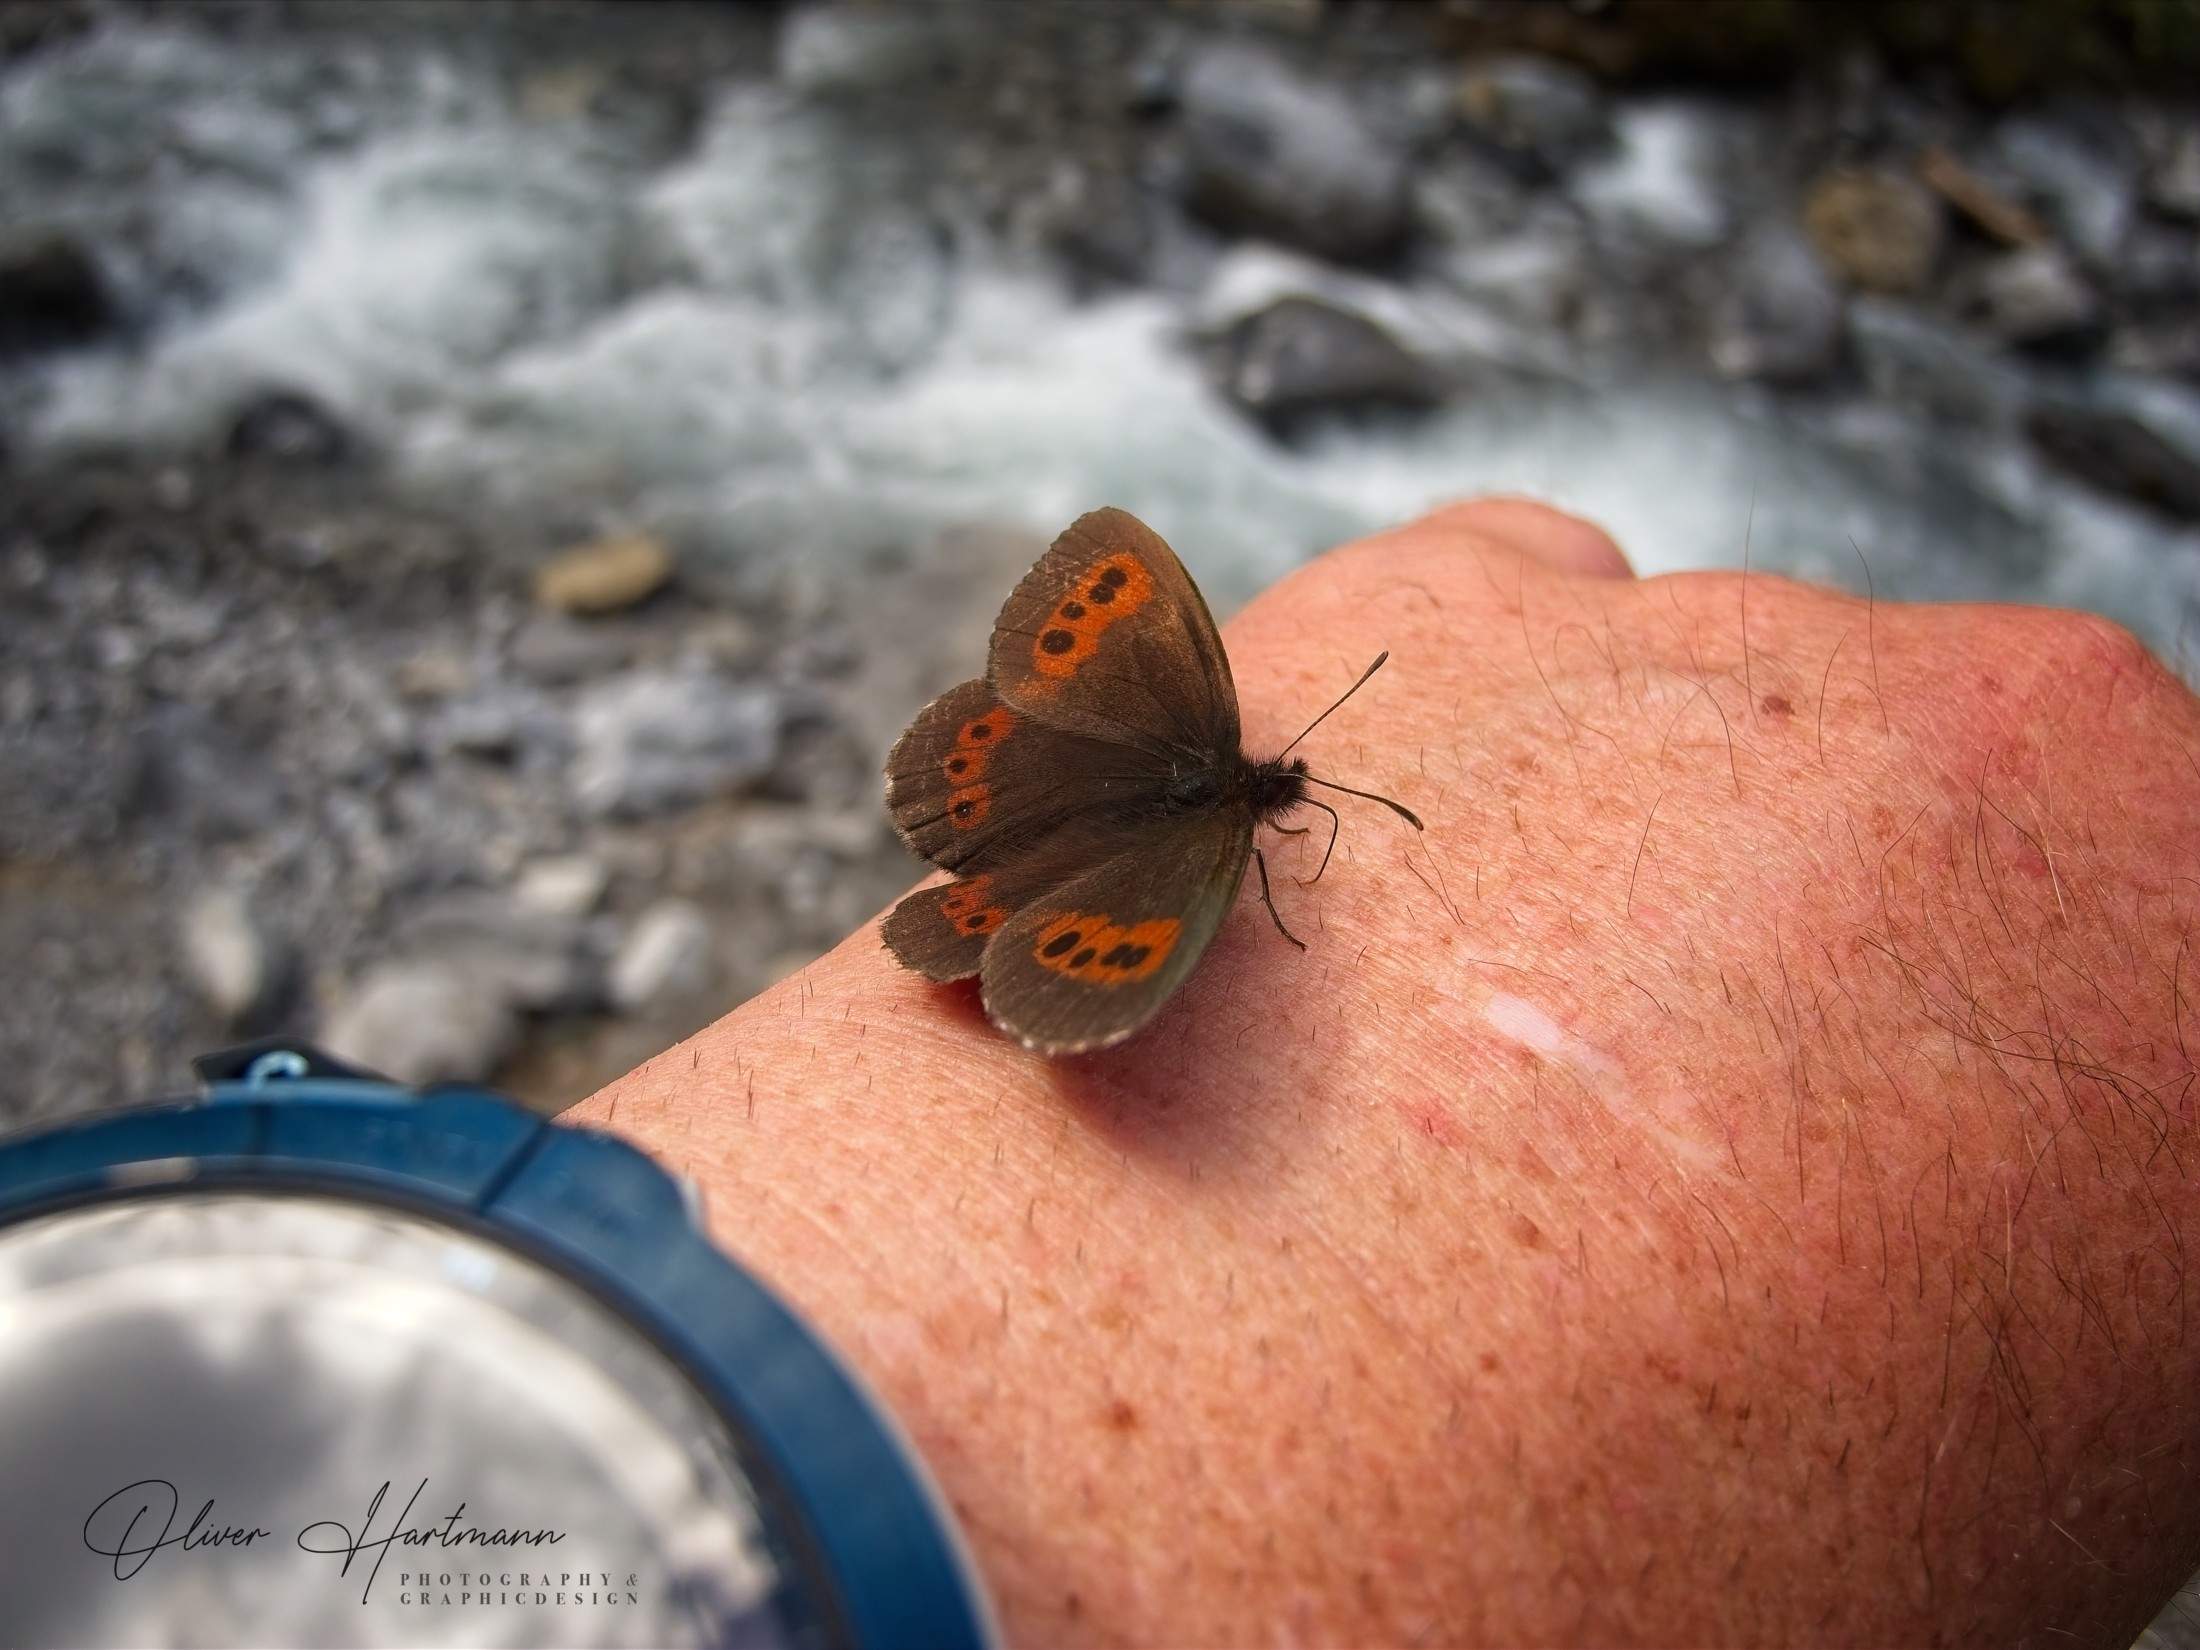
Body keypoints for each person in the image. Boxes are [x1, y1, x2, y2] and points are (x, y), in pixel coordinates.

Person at [571, 498, 2200, 1647]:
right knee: (1166, 913)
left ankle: (992, 875)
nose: (1291, 787)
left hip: (1052, 802)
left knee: (1096, 866)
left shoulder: (1201, 743)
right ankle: (999, 898)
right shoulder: (1226, 830)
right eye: (1291, 783)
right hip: (1109, 873)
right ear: (1276, 789)